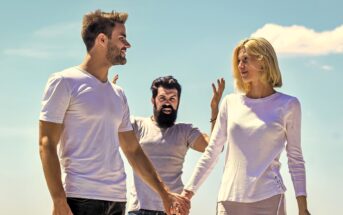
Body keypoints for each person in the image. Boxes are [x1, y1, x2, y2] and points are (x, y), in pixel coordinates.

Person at [38, 10, 189, 215]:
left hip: (117, 200)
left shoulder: (118, 94)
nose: (127, 45)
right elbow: (46, 142)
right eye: (122, 38)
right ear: (102, 39)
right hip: (80, 199)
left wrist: (164, 194)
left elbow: (133, 151)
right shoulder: (64, 81)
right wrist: (58, 199)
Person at [182, 37, 311, 215]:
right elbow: (212, 151)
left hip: (269, 199)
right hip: (229, 200)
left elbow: (295, 158)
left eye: (245, 59)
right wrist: (187, 193)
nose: (240, 65)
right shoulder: (230, 102)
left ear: (263, 61)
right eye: (238, 61)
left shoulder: (289, 105)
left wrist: (302, 207)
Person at [113, 76, 224, 215]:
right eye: (162, 98)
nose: (167, 103)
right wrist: (111, 101)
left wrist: (215, 110)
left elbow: (214, 147)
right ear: (153, 100)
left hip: (173, 210)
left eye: (172, 99)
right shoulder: (136, 125)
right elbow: (108, 131)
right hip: (139, 210)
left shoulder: (185, 131)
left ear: (178, 102)